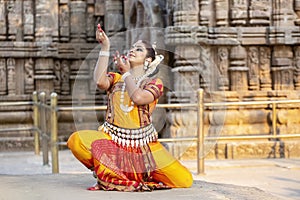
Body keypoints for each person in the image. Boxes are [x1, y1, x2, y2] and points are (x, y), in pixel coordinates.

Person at [67, 24, 193, 191]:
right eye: (132, 48)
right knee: (76, 141)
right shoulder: (116, 79)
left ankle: (131, 175)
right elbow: (99, 81)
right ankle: (115, 174)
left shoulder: (154, 83)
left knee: (184, 180)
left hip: (144, 147)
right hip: (113, 140)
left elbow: (139, 98)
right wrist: (105, 47)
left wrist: (127, 73)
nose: (132, 50)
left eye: (139, 49)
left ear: (148, 60)